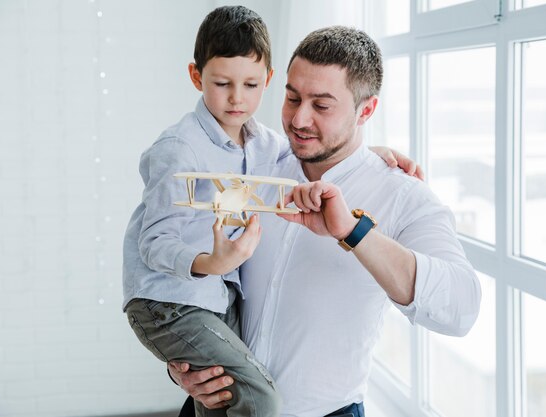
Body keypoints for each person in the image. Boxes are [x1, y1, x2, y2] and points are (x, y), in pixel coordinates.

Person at [169, 26, 482, 417]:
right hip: (214, 408)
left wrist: (354, 232)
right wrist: (182, 364)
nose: (299, 119)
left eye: (322, 105)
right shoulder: (253, 164)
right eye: (292, 97)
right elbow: (188, 259)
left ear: (365, 111)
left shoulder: (404, 195)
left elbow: (462, 308)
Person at [122, 7, 418, 417]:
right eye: (222, 84)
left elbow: (331, 150)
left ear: (268, 80)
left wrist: (373, 154)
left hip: (217, 301)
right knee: (259, 398)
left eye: (251, 85)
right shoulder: (178, 149)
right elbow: (153, 242)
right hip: (171, 300)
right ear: (196, 77)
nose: (237, 98)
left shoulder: (266, 146)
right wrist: (209, 262)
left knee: (223, 398)